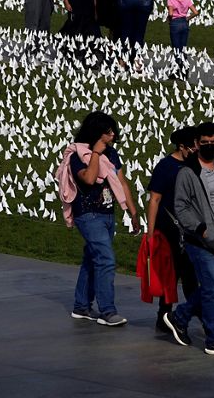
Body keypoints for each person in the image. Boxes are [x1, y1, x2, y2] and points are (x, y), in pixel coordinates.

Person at [162, 122, 214, 356]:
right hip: (201, 241)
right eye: (204, 142)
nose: (210, 146)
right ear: (196, 144)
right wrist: (200, 229)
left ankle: (179, 317)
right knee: (213, 293)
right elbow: (181, 206)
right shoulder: (188, 171)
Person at [63, 111, 140, 326]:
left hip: (107, 214)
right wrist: (95, 154)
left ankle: (81, 306)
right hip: (87, 215)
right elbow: (88, 179)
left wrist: (132, 212)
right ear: (97, 133)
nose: (113, 134)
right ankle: (107, 311)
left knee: (92, 258)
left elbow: (122, 182)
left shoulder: (112, 153)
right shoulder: (77, 155)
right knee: (106, 259)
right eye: (108, 132)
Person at [145, 126, 199, 330]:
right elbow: (154, 199)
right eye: (193, 146)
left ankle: (194, 313)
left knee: (190, 276)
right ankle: (164, 315)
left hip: (189, 230)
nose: (196, 150)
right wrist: (151, 234)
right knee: (170, 275)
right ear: (182, 147)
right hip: (169, 230)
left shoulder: (194, 165)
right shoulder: (166, 166)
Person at [166, 0, 198, 75]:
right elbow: (196, 12)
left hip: (175, 24)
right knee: (183, 47)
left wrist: (169, 19)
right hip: (184, 23)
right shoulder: (187, 0)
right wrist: (187, 18)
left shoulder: (171, 0)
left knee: (176, 47)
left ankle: (177, 68)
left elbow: (171, 14)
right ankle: (185, 67)